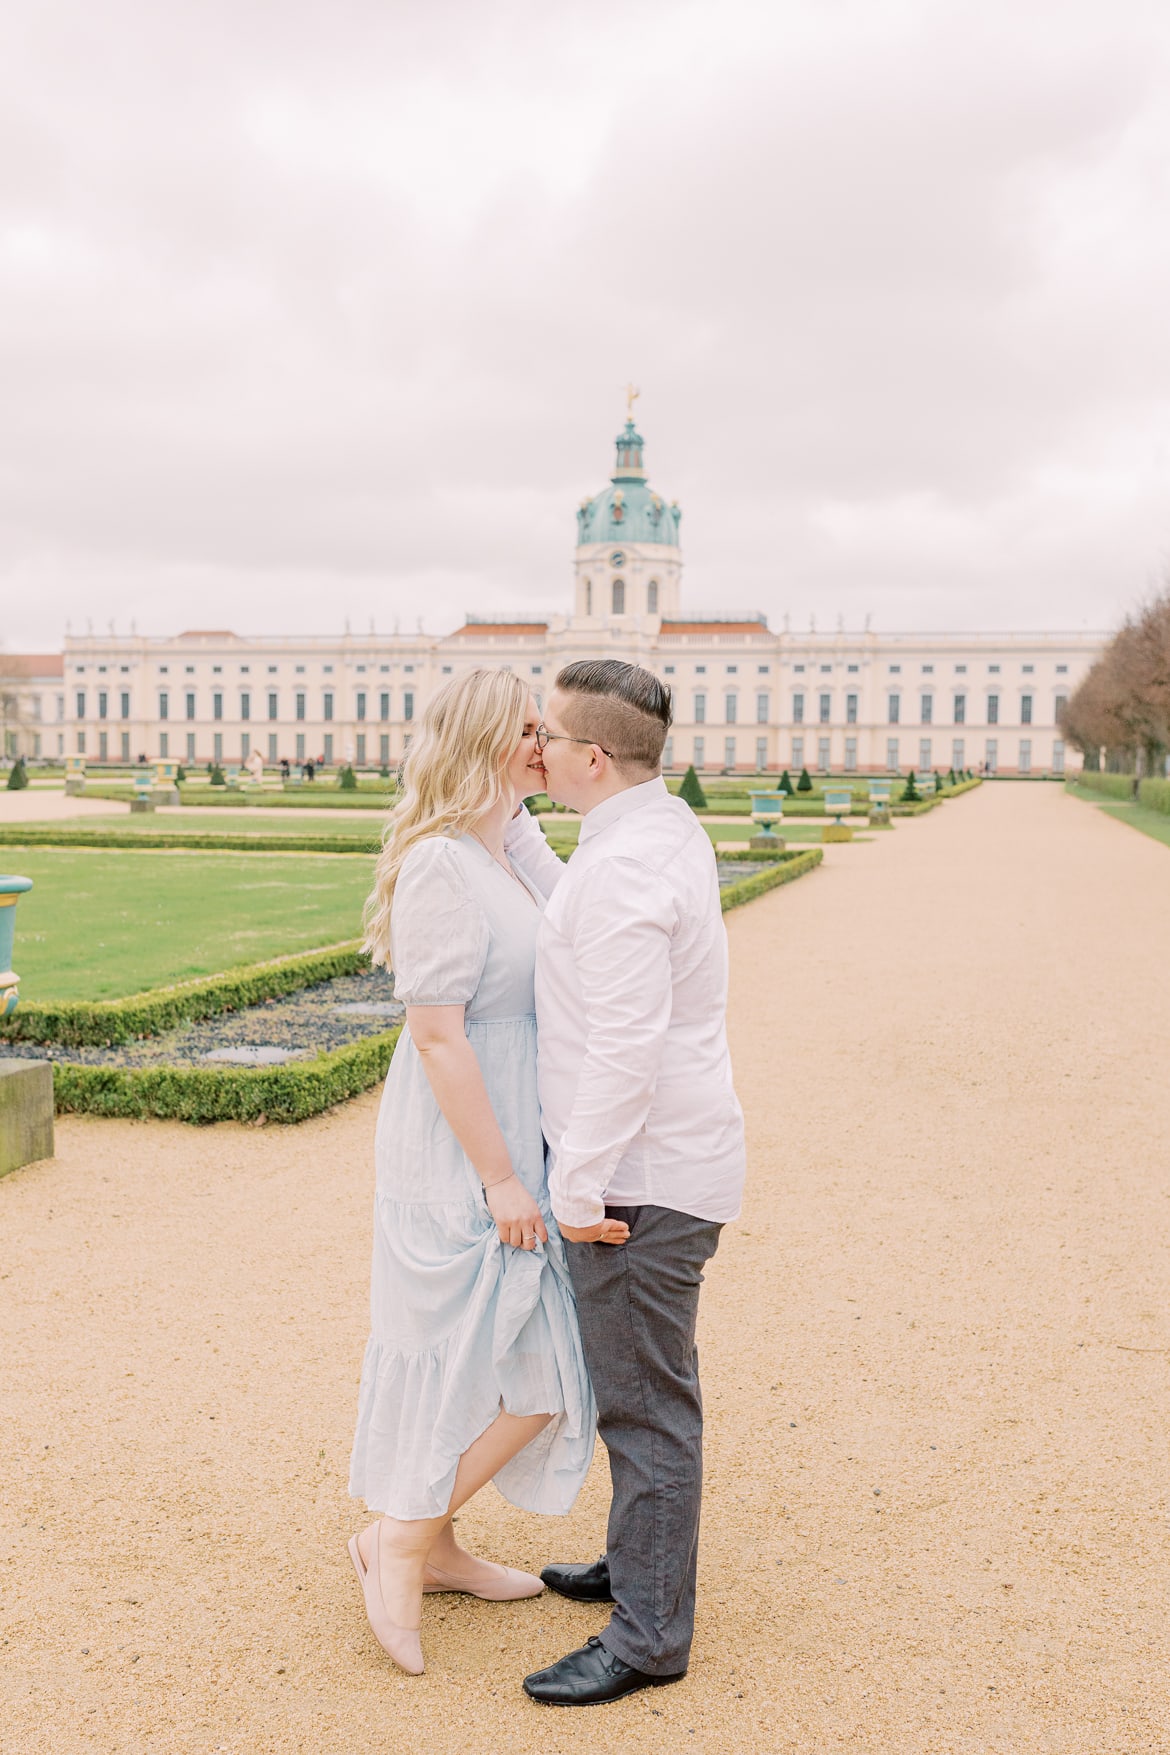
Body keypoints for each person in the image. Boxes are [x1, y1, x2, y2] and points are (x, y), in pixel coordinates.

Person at [347, 667, 614, 1677]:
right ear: (488, 742)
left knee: (521, 1362)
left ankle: (425, 1538)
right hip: (463, 1149)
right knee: (504, 1359)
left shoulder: (504, 849)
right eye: (532, 730)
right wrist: (502, 1179)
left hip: (514, 1135)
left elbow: (579, 899)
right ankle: (405, 1538)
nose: (549, 744)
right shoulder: (440, 868)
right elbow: (437, 1037)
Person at [503, 659, 746, 1708]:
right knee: (642, 1393)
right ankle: (640, 1563)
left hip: (639, 1186)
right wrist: (514, 814)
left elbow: (627, 1045)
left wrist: (578, 1188)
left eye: (545, 736)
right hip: (662, 1168)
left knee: (646, 1410)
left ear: (591, 758)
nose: (534, 744)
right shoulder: (645, 830)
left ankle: (649, 1636)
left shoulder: (630, 869)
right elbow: (577, 909)